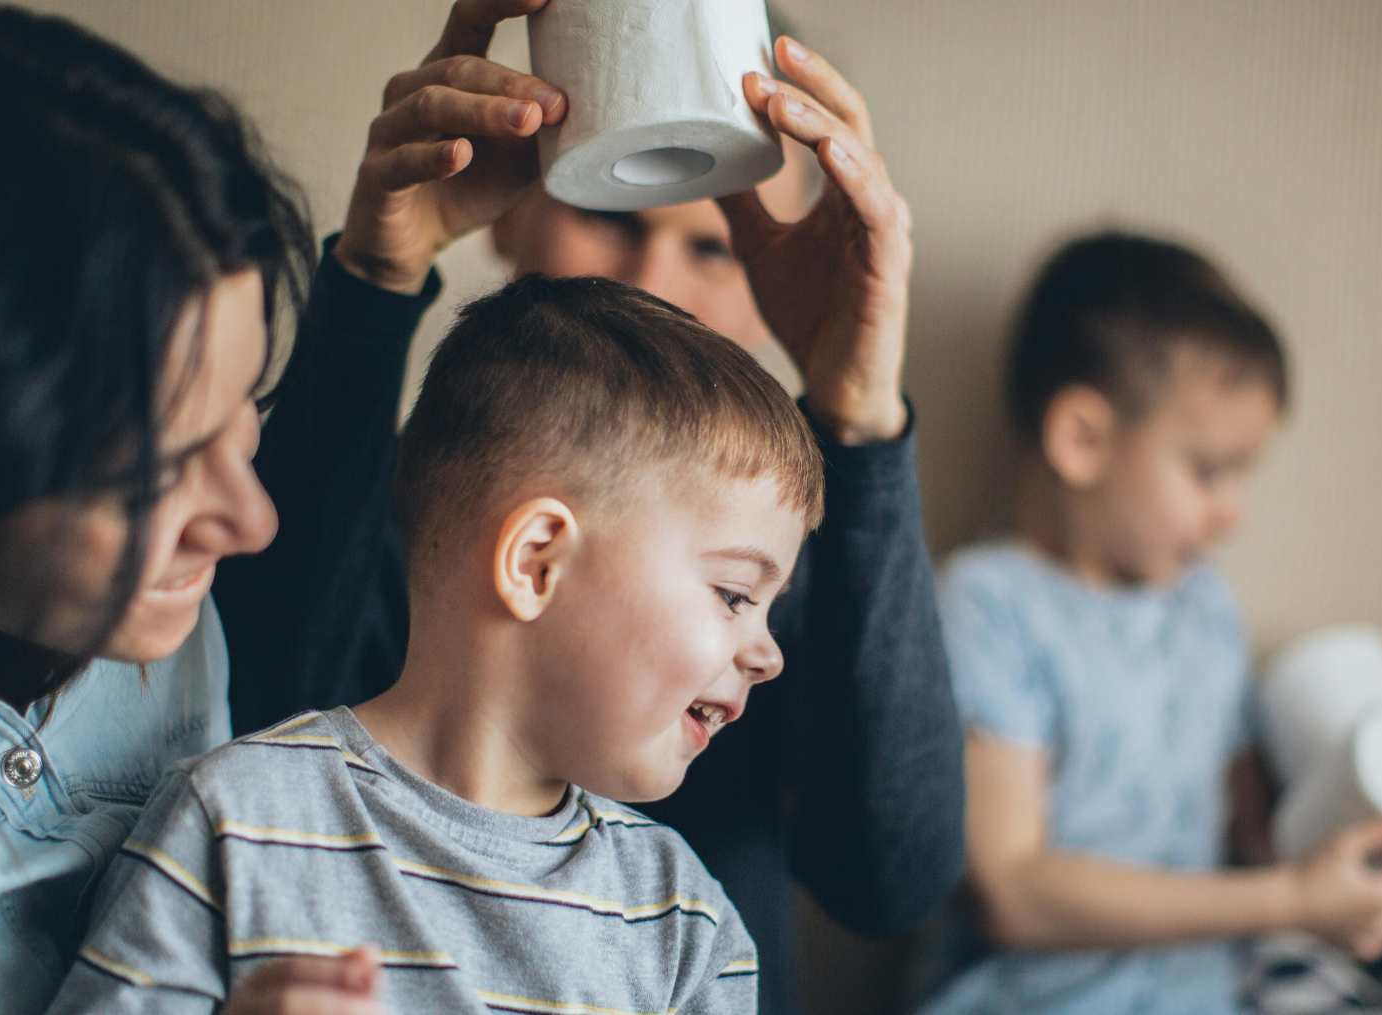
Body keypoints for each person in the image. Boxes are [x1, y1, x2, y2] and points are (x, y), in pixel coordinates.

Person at [211, 4, 965, 1009]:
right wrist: (375, 278)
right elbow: (253, 728)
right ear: (514, 206)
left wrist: (859, 419)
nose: (656, 280)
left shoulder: (771, 559)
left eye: (719, 246)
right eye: (616, 212)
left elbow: (890, 879)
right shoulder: (407, 504)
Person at [0, 3, 558, 1012]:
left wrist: (382, 263)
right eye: (154, 470)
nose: (249, 521)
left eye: (244, 406)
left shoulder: (170, 642)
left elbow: (285, 661)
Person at [52, 274, 821, 1013]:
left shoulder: (687, 926)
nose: (768, 653)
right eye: (733, 595)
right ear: (536, 561)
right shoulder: (232, 821)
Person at [917, 231, 1382, 1014]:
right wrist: (1288, 900)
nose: (1232, 515)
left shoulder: (1204, 608)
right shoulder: (990, 605)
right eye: (1208, 471)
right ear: (1083, 439)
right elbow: (1013, 890)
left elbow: (1258, 838)